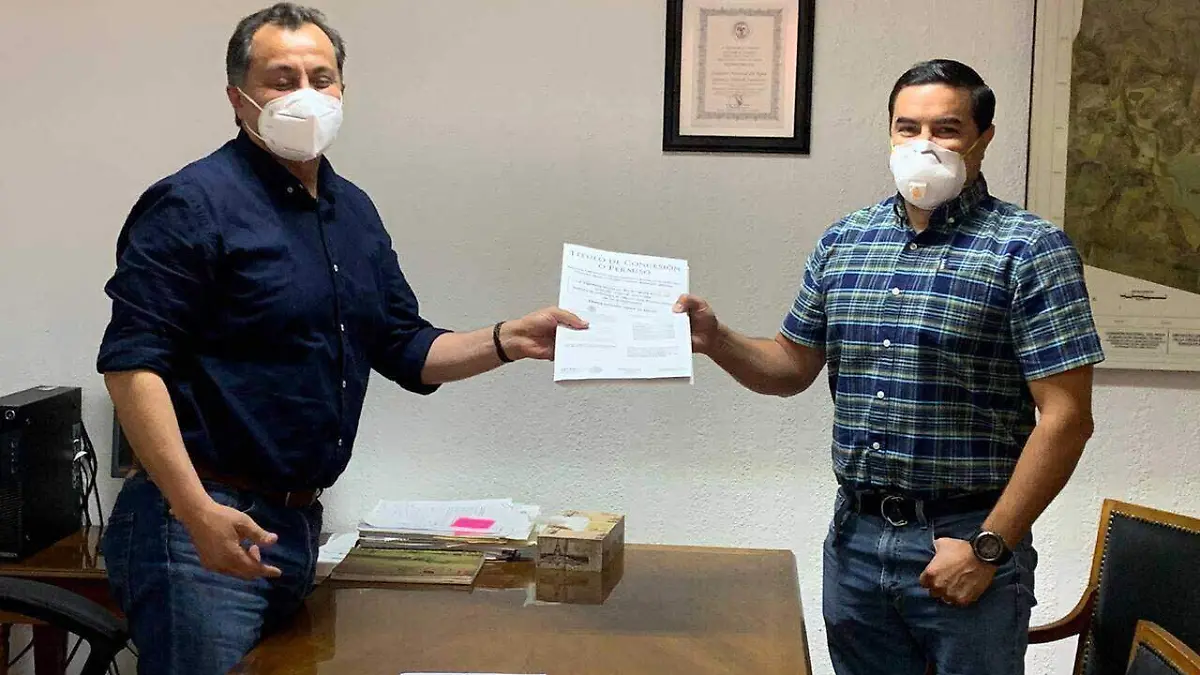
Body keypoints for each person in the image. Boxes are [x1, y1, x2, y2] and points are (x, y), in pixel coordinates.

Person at [96, 4, 585, 673]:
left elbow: (405, 347)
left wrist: (508, 338)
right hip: (198, 522)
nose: (304, 93)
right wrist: (195, 509)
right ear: (237, 97)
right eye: (281, 79)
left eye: (320, 78)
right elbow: (131, 364)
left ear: (343, 91)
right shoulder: (191, 203)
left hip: (297, 526)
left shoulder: (351, 210)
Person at [675, 59, 1103, 675]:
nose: (924, 144)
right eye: (908, 128)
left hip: (967, 535)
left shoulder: (1030, 249)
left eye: (946, 129)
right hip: (856, 540)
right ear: (890, 133)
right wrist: (715, 340)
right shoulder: (845, 241)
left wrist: (988, 548)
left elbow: (1066, 419)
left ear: (983, 138)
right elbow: (790, 366)